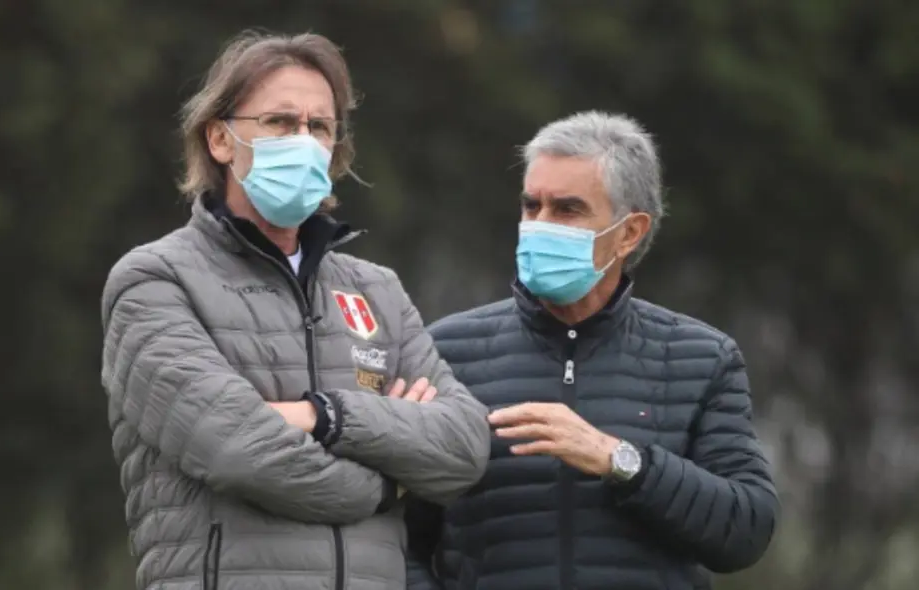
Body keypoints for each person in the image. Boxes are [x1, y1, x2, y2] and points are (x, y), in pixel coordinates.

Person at [99, 31, 491, 590]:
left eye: (320, 127)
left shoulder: (376, 290)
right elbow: (239, 450)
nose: (303, 140)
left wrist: (322, 416)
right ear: (220, 139)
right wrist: (390, 481)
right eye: (280, 122)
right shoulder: (155, 281)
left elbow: (464, 447)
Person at [405, 111, 779, 590]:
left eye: (567, 210)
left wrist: (619, 459)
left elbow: (745, 529)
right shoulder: (446, 350)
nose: (540, 224)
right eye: (531, 205)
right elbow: (398, 538)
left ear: (629, 232)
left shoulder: (702, 358)